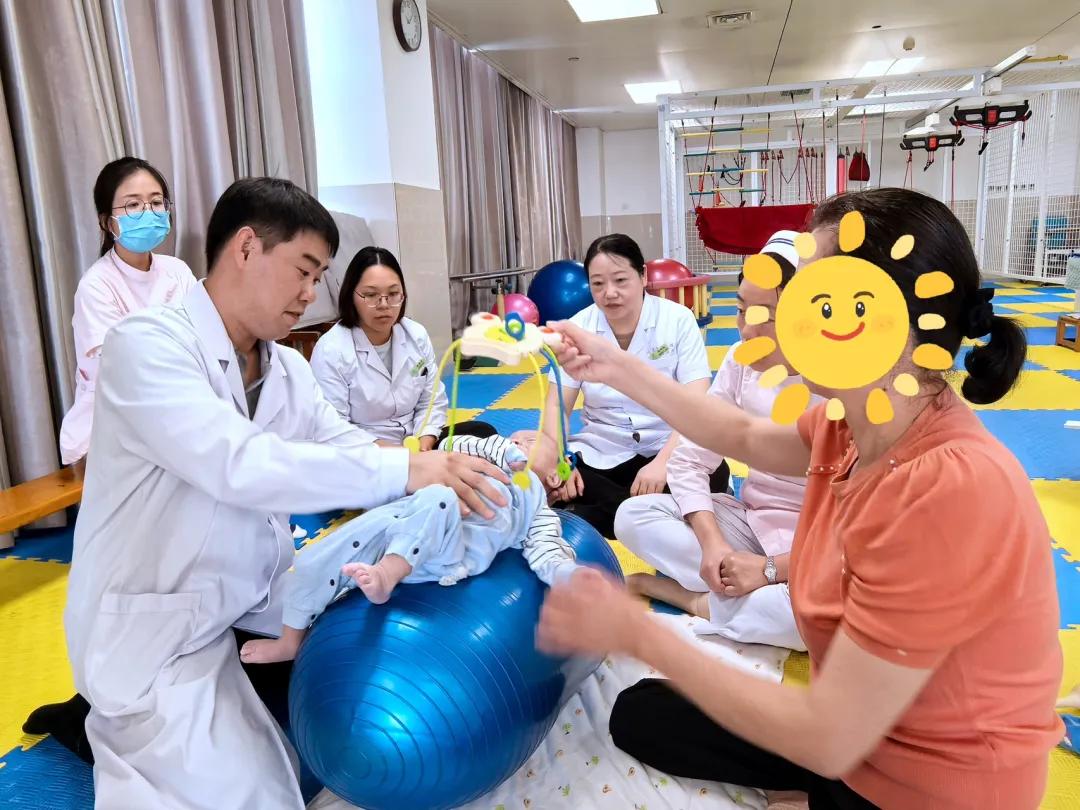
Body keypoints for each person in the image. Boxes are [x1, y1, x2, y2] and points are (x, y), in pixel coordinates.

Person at [537, 188, 1062, 810]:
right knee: (643, 713)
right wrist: (612, 366)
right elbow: (738, 434)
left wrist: (637, 634)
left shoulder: (948, 485)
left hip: (932, 783)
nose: (783, 316)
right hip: (860, 731)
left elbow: (830, 740)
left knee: (729, 717)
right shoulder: (854, 420)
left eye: (813, 293)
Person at [56, 177, 508, 810]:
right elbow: (237, 464)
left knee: (369, 657)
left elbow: (348, 445)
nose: (311, 293)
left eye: (319, 276)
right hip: (159, 627)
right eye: (304, 270)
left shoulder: (286, 368)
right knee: (253, 793)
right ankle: (85, 720)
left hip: (249, 598)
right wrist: (406, 471)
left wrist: (451, 472)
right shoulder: (146, 346)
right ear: (246, 248)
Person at [614, 232, 814, 651]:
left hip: (819, 544)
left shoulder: (844, 385)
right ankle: (737, 591)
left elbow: (859, 535)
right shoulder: (741, 361)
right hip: (752, 520)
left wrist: (769, 570)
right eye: (741, 310)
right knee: (633, 515)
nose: (747, 330)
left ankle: (690, 599)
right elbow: (690, 457)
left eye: (766, 316)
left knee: (815, 620)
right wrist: (713, 544)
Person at [240, 430, 576, 664]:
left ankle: (387, 574)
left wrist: (567, 576)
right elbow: (451, 442)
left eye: (529, 440)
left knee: (440, 498)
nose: (515, 440)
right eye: (513, 437)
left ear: (554, 475)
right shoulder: (482, 456)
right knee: (321, 553)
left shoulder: (535, 505)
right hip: (406, 520)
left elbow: (546, 550)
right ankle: (290, 639)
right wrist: (497, 449)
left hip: (448, 548)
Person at [542, 233, 727, 538]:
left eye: (620, 280)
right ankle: (654, 516)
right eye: (597, 284)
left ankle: (609, 517)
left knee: (713, 471)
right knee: (551, 479)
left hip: (669, 443)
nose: (609, 293)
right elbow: (556, 405)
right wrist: (561, 462)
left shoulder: (678, 320)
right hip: (603, 450)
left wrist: (663, 463)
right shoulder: (578, 328)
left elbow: (698, 401)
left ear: (643, 276)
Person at [58, 157, 197, 465]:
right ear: (107, 222)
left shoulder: (177, 271)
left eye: (156, 202)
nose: (148, 212)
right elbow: (121, 372)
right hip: (108, 435)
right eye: (133, 205)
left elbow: (203, 345)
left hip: (176, 419)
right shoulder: (97, 286)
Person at [311, 246, 484, 448]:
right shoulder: (331, 349)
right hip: (365, 450)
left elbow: (431, 401)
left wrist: (425, 442)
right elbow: (334, 427)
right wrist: (401, 456)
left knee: (481, 431)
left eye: (393, 294)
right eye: (371, 295)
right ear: (351, 295)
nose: (384, 305)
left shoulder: (415, 335)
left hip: (416, 442)